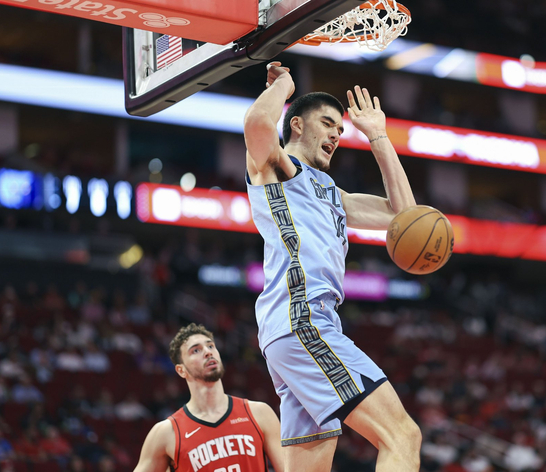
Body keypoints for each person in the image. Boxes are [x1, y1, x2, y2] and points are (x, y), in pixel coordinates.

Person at [243, 61, 421, 471]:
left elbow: (406, 215)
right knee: (402, 435)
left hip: (300, 327)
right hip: (302, 320)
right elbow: (257, 123)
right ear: (297, 125)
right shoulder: (278, 169)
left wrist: (377, 136)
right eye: (327, 124)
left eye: (340, 129)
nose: (336, 135)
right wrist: (284, 86)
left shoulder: (332, 192)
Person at [133, 323, 283, 472]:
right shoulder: (166, 433)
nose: (207, 352)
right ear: (181, 370)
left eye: (211, 346)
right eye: (196, 350)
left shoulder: (259, 413)